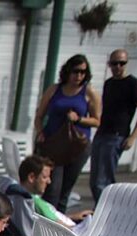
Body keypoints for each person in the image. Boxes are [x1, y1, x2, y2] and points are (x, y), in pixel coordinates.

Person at [33, 54, 101, 213]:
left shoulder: (89, 92)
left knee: (65, 191)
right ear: (68, 71)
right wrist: (40, 132)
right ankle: (45, 221)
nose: (79, 76)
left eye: (83, 72)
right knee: (52, 189)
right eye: (76, 71)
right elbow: (39, 115)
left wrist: (79, 119)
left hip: (77, 145)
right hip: (53, 144)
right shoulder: (54, 89)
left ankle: (60, 225)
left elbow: (97, 121)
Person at [89, 49, 137, 202]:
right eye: (114, 63)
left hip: (117, 135)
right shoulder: (109, 84)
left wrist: (133, 137)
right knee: (94, 180)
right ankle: (100, 209)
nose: (118, 67)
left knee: (103, 181)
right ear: (109, 64)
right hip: (102, 133)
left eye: (121, 63)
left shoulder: (134, 84)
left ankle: (108, 212)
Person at [0, 155, 93, 236]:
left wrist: (72, 216)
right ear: (31, 177)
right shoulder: (33, 202)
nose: (49, 181)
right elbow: (63, 227)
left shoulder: (27, 199)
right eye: (45, 177)